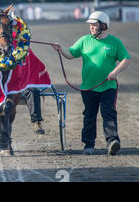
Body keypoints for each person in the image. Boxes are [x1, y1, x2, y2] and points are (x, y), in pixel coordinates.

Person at [52, 11, 131, 156]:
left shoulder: (115, 42)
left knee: (109, 114)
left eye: (94, 25)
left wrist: (115, 72)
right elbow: (70, 54)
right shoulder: (84, 40)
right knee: (89, 115)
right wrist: (60, 48)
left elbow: (126, 59)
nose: (91, 28)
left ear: (103, 25)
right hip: (88, 87)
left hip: (108, 86)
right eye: (90, 25)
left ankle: (112, 142)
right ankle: (88, 145)